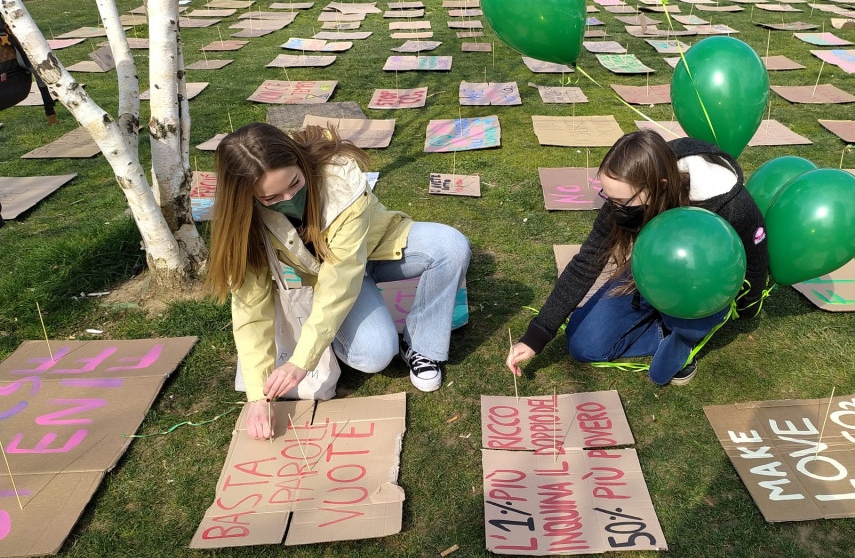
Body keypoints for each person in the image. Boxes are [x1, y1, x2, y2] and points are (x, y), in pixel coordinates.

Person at [208, 123, 470, 439]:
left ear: (300, 161)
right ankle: (331, 333)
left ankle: (423, 347)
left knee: (450, 246)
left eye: (294, 183)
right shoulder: (242, 221)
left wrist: (301, 361)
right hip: (326, 277)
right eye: (272, 197)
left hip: (376, 248)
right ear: (246, 195)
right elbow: (251, 310)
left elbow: (342, 280)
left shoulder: (340, 180)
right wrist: (257, 397)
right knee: (374, 354)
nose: (289, 198)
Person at [506, 130, 768, 385]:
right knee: (581, 343)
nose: (613, 206)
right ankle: (662, 329)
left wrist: (746, 308)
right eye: (608, 197)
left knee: (687, 313)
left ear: (659, 186)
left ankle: (686, 333)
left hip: (703, 285)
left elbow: (756, 252)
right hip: (652, 271)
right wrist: (536, 335)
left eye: (620, 200)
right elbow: (586, 263)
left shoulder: (730, 202)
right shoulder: (627, 194)